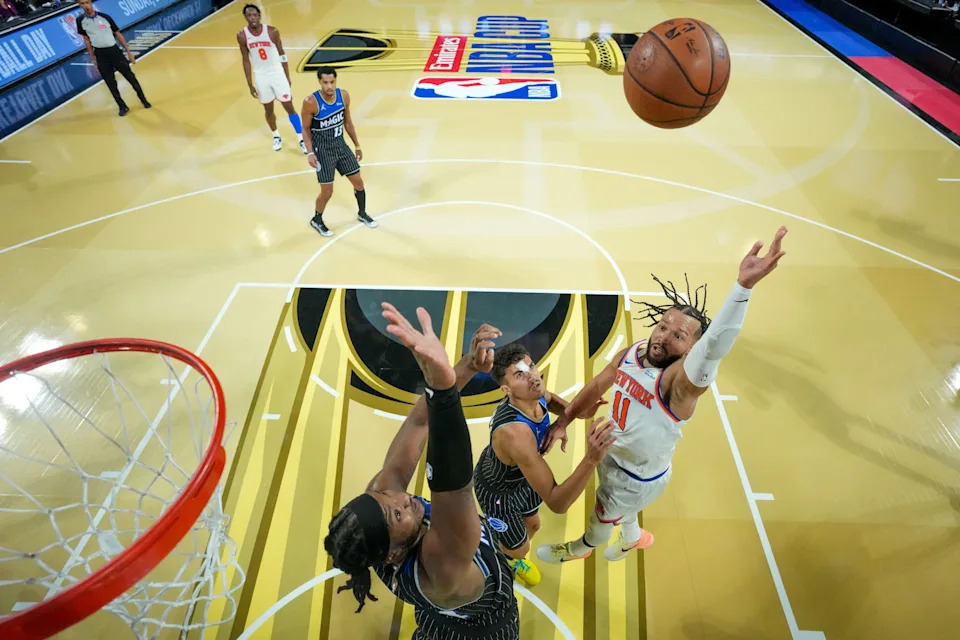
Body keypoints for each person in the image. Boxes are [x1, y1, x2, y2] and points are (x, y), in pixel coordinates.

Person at [536, 227, 788, 564]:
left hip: (634, 477)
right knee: (624, 513)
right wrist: (564, 419)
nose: (663, 337)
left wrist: (743, 288)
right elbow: (599, 384)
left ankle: (580, 549)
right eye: (663, 327)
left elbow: (714, 347)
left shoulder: (680, 384)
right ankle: (633, 537)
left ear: (690, 350)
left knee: (600, 521)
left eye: (679, 336)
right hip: (614, 456)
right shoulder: (636, 351)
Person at [324, 312, 519, 639]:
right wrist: (441, 388)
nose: (403, 498)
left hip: (435, 615)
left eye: (385, 495)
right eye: (396, 514)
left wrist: (466, 367)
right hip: (484, 628)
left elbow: (419, 423)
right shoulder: (440, 566)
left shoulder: (382, 501)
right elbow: (454, 483)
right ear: (394, 553)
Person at [472, 343, 615, 587]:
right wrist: (591, 458)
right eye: (520, 375)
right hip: (498, 492)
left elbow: (568, 411)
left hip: (521, 477)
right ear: (506, 389)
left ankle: (507, 545)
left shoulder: (538, 396)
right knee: (520, 549)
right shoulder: (515, 434)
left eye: (531, 366)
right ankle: (493, 548)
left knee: (534, 524)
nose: (533, 377)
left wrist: (583, 412)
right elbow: (558, 503)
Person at [299, 66, 375, 237]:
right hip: (323, 151)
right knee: (327, 192)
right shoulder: (311, 102)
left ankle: (362, 213)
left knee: (359, 182)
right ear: (319, 82)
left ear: (336, 81)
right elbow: (305, 128)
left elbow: (348, 122)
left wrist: (357, 145)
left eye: (332, 82)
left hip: (341, 146)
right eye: (325, 82)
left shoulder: (344, 96)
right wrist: (310, 152)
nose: (329, 86)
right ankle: (317, 219)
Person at [237, 4, 305, 153]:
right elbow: (245, 60)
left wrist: (286, 76)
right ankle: (276, 136)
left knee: (289, 107)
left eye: (254, 15)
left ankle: (301, 138)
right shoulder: (242, 35)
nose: (252, 18)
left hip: (277, 74)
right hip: (261, 76)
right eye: (249, 15)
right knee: (268, 109)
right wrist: (250, 83)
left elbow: (282, 54)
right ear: (245, 17)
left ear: (259, 15)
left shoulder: (272, 31)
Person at [75, 0, 150, 116]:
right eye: (82, 4)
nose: (86, 6)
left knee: (130, 77)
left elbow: (118, 33)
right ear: (80, 6)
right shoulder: (80, 21)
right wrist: (93, 58)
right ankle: (122, 106)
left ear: (91, 3)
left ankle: (143, 99)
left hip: (114, 52)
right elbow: (86, 39)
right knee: (110, 83)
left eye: (87, 2)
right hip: (100, 55)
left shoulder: (105, 17)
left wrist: (128, 52)